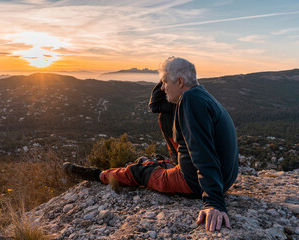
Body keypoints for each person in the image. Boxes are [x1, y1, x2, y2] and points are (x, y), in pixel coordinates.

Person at [63, 57, 238, 232]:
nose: (162, 87)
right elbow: (156, 104)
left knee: (139, 171)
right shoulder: (198, 94)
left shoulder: (190, 100)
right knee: (165, 114)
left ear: (180, 81)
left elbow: (203, 152)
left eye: (165, 82)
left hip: (194, 182)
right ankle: (168, 165)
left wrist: (214, 202)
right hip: (223, 177)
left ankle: (98, 175)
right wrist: (169, 71)